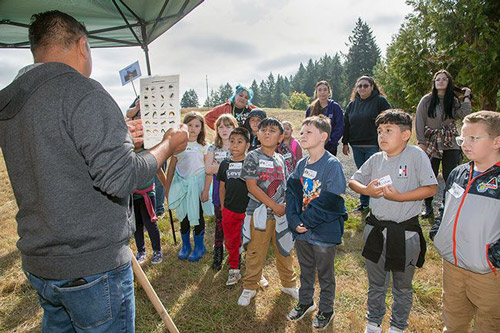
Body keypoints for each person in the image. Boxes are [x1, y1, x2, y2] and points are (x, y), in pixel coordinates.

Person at [0, 10, 188, 332]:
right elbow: (123, 177)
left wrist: (119, 133)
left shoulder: (11, 100)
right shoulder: (81, 91)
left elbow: (54, 149)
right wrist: (168, 145)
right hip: (91, 266)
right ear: (82, 45)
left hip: (41, 261)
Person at [349, 110, 438, 333]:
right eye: (379, 131)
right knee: (377, 283)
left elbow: (431, 188)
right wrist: (366, 190)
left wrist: (399, 197)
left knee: (402, 286)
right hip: (376, 230)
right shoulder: (376, 159)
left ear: (406, 134)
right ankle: (373, 323)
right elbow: (353, 181)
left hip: (405, 233)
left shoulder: (416, 156)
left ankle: (398, 326)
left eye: (389, 130)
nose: (382, 135)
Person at [429, 111, 500, 332]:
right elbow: (444, 206)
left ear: (497, 141)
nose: (464, 144)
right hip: (452, 266)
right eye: (462, 138)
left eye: (473, 138)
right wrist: (438, 232)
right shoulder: (458, 172)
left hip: (488, 273)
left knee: (489, 323)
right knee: (453, 318)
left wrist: (492, 258)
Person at [286, 115, 348, 330]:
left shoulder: (332, 165)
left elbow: (331, 199)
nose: (302, 136)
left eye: (308, 132)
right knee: (306, 269)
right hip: (302, 231)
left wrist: (306, 220)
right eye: (301, 132)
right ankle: (305, 302)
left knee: (325, 273)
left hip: (323, 231)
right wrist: (294, 220)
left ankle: (326, 309)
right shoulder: (301, 164)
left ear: (323, 136)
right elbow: (292, 192)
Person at [238, 118, 297, 306]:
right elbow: (251, 187)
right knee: (256, 251)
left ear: (280, 137)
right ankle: (249, 287)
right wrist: (274, 205)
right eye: (263, 129)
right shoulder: (252, 157)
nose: (267, 133)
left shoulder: (280, 159)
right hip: (259, 214)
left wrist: (286, 205)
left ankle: (289, 284)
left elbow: (286, 184)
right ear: (257, 134)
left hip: (281, 215)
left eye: (272, 130)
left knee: (284, 250)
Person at [416, 69, 472, 218]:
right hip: (431, 141)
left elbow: (465, 115)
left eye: (444, 79)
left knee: (451, 174)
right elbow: (419, 120)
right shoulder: (427, 100)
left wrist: (466, 96)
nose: (440, 81)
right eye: (438, 79)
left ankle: (446, 204)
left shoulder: (453, 101)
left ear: (449, 83)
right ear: (434, 83)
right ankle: (427, 206)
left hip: (449, 141)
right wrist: (421, 142)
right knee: (430, 174)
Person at [166, 111, 213, 262]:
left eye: (197, 126)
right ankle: (185, 245)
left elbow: (208, 170)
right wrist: (167, 188)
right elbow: (172, 167)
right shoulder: (178, 146)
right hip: (181, 184)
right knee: (184, 216)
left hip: (197, 186)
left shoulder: (204, 147)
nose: (193, 129)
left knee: (197, 215)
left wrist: (206, 189)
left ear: (201, 128)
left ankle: (199, 246)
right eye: (189, 125)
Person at [342, 76, 391, 211]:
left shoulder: (380, 101)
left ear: (372, 87)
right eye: (360, 86)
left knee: (376, 174)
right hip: (356, 145)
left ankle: (380, 203)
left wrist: (385, 141)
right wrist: (345, 142)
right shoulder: (352, 105)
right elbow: (346, 124)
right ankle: (364, 203)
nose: (362, 88)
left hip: (374, 145)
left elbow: (389, 121)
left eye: (365, 86)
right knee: (363, 175)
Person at [217, 127, 251, 285]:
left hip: (248, 210)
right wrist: (223, 207)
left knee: (251, 241)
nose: (235, 145)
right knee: (231, 240)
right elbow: (222, 187)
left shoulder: (251, 164)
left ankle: (254, 269)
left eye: (240, 142)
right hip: (230, 210)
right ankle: (234, 269)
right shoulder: (225, 164)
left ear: (248, 145)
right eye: (232, 141)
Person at [205, 114, 238, 270]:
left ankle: (236, 253)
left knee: (236, 223)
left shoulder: (238, 146)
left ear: (234, 127)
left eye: (228, 126)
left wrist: (219, 166)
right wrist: (229, 166)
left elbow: (242, 167)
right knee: (220, 222)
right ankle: (218, 252)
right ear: (216, 129)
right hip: (219, 190)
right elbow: (208, 168)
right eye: (221, 126)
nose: (224, 130)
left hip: (236, 189)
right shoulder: (212, 148)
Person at [133, 146, 169, 265]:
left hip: (147, 194)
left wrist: (167, 189)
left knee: (150, 223)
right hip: (132, 195)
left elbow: (159, 171)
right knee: (137, 225)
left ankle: (157, 250)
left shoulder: (149, 153)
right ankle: (141, 251)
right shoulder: (127, 153)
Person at [305, 81, 344, 156]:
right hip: (314, 145)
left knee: (329, 166)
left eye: (325, 90)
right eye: (319, 90)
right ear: (316, 92)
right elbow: (306, 127)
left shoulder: (335, 107)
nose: (322, 92)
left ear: (329, 92)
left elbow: (340, 126)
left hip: (330, 146)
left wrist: (330, 140)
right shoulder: (311, 108)